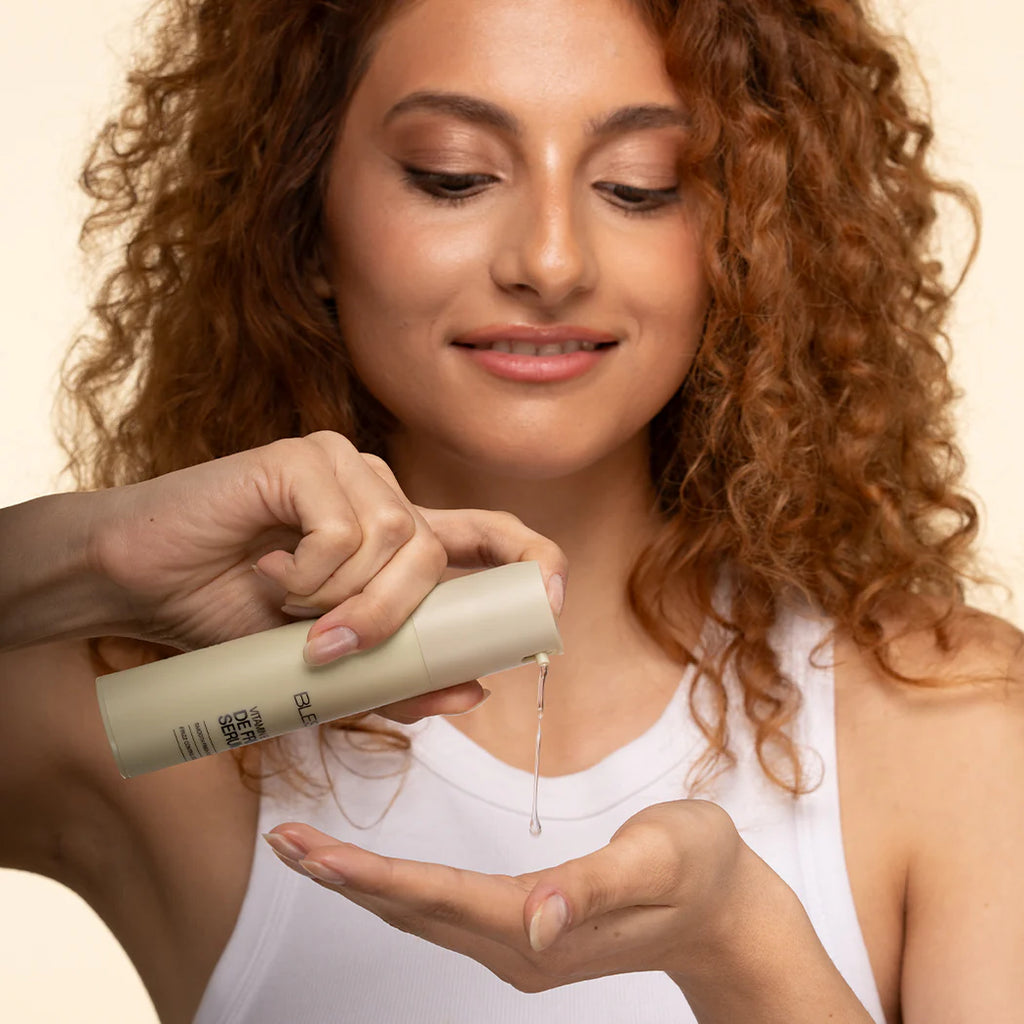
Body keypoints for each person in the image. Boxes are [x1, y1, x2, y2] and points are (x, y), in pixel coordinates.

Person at [1, 0, 1021, 1021]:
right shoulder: (155, 713)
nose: (550, 261)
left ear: (749, 237)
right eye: (452, 176)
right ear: (302, 223)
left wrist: (742, 949)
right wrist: (90, 556)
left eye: (640, 186)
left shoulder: (953, 722)